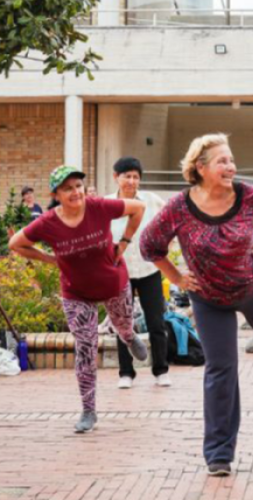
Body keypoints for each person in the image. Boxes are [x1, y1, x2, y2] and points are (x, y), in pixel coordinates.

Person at [140, 133, 253, 477]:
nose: (231, 166)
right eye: (222, 161)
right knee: (220, 369)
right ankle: (219, 453)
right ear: (200, 168)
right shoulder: (178, 207)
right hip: (209, 298)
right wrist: (175, 278)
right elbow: (150, 246)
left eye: (231, 160)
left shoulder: (247, 195)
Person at [8, 165, 150, 434]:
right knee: (85, 347)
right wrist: (49, 259)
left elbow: (138, 208)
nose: (75, 192)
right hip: (76, 293)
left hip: (113, 283)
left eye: (77, 186)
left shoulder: (99, 206)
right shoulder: (47, 222)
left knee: (124, 324)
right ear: (56, 194)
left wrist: (124, 242)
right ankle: (88, 410)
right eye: (67, 188)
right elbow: (16, 243)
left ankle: (129, 336)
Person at [107, 157, 172, 389]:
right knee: (122, 324)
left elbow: (169, 223)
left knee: (157, 321)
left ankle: (161, 370)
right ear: (116, 177)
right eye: (127, 176)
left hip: (149, 270)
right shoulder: (106, 204)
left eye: (136, 177)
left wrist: (165, 247)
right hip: (119, 272)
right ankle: (126, 373)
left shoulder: (152, 201)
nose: (131, 181)